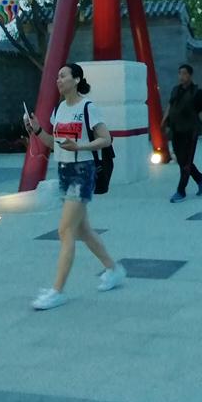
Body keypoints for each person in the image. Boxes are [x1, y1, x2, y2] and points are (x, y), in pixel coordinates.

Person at [25, 62, 125, 311]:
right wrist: (37, 129)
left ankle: (57, 291)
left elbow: (106, 139)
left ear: (77, 79)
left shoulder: (88, 107)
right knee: (83, 230)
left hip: (83, 171)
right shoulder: (59, 109)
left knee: (65, 230)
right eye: (57, 77)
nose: (58, 80)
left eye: (63, 76)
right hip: (64, 171)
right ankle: (113, 270)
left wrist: (80, 146)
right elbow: (54, 143)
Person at [161, 64, 202, 203]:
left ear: (190, 75)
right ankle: (200, 179)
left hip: (190, 131)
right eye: (180, 73)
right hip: (176, 129)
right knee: (181, 160)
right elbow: (170, 106)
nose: (181, 76)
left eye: (184, 73)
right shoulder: (175, 90)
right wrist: (164, 121)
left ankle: (181, 191)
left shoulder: (197, 92)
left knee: (186, 161)